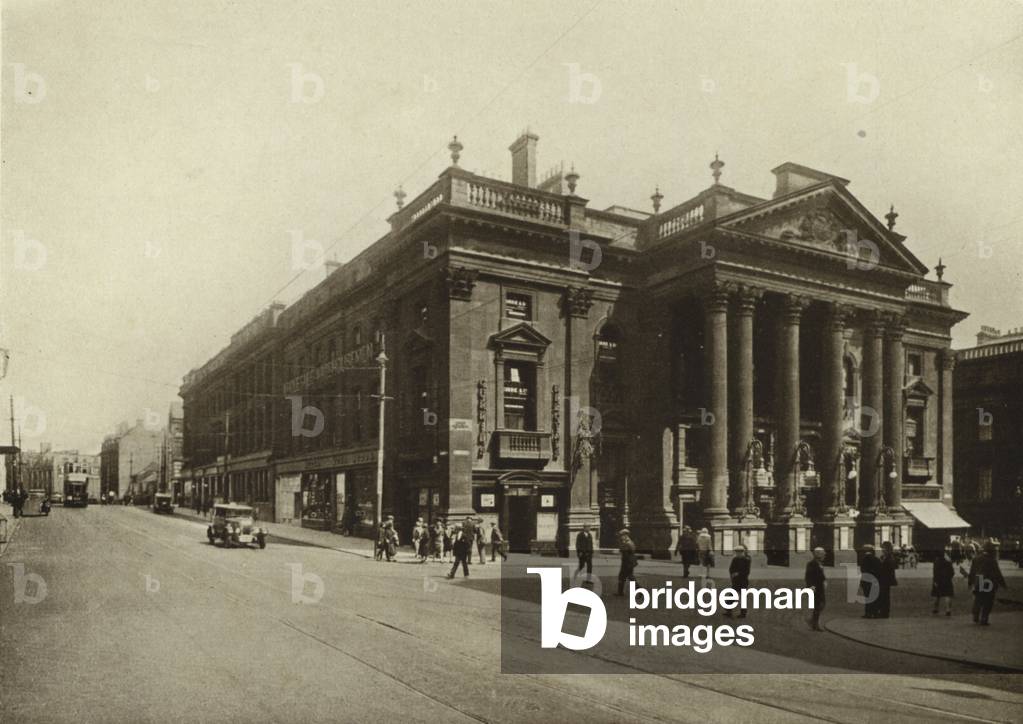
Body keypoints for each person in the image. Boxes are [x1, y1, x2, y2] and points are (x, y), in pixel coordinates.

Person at [968, 540, 1007, 625]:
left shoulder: (976, 558)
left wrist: (970, 582)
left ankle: (975, 615)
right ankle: (984, 618)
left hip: (979, 580)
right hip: (989, 582)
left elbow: (972, 571)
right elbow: (997, 573)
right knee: (988, 600)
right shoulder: (992, 560)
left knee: (978, 599)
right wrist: (1003, 583)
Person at [724, 545, 751, 618]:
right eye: (737, 552)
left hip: (743, 581)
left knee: (742, 597)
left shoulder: (746, 560)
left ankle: (743, 613)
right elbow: (731, 569)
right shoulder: (735, 559)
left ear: (742, 552)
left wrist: (737, 573)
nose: (738, 553)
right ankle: (728, 611)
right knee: (732, 596)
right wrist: (732, 575)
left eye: (740, 552)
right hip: (736, 581)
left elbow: (746, 571)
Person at [805, 547, 827, 631]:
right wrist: (811, 586)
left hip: (820, 587)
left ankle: (813, 621)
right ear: (818, 554)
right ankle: (815, 624)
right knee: (818, 605)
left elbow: (821, 574)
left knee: (822, 604)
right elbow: (808, 576)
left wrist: (824, 581)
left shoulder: (819, 563)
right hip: (815, 588)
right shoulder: (811, 563)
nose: (825, 554)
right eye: (823, 553)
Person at [859, 545, 882, 618]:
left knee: (868, 598)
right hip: (876, 581)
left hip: (867, 581)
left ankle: (868, 613)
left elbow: (863, 571)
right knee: (875, 597)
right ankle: (875, 613)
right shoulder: (877, 559)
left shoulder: (864, 560)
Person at [932, 547, 955, 616]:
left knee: (936, 595)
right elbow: (952, 572)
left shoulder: (936, 562)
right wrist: (949, 577)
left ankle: (935, 608)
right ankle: (948, 610)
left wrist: (935, 580)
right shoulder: (948, 562)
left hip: (938, 579)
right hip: (947, 580)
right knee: (948, 595)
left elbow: (935, 572)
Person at [877, 541, 898, 618]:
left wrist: (881, 564)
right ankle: (883, 611)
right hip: (883, 580)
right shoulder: (885, 557)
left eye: (883, 548)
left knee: (885, 597)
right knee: (883, 596)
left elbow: (889, 569)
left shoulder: (889, 558)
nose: (882, 550)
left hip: (885, 580)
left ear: (887, 549)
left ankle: (884, 613)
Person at [615, 528, 637, 596]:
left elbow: (628, 551)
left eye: (622, 535)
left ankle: (640, 590)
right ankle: (620, 592)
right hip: (626, 562)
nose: (621, 537)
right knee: (622, 577)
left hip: (627, 563)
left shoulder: (628, 543)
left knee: (629, 577)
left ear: (625, 535)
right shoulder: (627, 542)